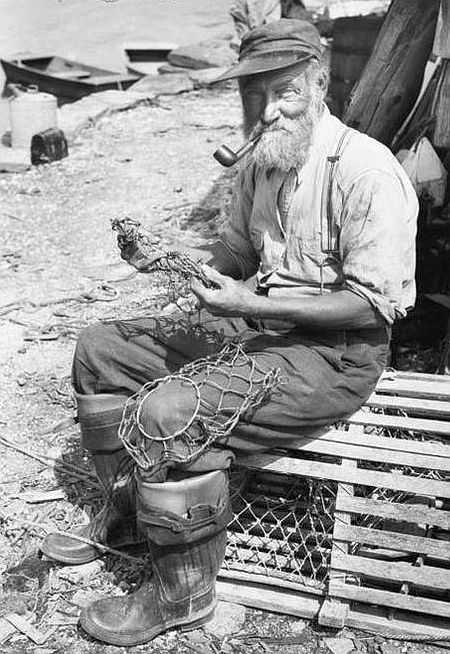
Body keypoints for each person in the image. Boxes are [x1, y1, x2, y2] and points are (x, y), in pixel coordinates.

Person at [40, 19, 418, 647]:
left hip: (333, 357)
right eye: (254, 95)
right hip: (258, 327)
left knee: (169, 413)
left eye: (285, 92)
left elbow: (373, 308)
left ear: (321, 82)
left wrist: (249, 303)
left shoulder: (365, 171)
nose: (268, 111)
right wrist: (178, 266)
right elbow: (237, 255)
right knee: (100, 350)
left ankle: (180, 593)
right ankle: (129, 514)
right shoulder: (264, 163)